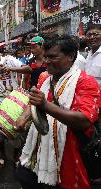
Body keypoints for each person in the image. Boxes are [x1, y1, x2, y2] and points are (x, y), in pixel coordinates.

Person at [16, 35, 100, 189]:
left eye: (52, 57)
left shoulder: (86, 82)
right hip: (37, 151)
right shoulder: (44, 78)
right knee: (24, 177)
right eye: (46, 56)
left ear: (70, 56)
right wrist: (23, 119)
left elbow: (84, 120)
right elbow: (34, 101)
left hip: (68, 155)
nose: (46, 61)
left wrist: (46, 105)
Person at [0, 46, 30, 167]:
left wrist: (9, 68)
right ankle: (2, 155)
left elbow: (28, 69)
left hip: (13, 101)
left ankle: (15, 156)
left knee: (15, 130)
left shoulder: (9, 59)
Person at [84, 24, 101, 185]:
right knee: (93, 139)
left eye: (96, 34)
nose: (92, 37)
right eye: (89, 34)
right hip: (90, 105)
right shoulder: (88, 55)